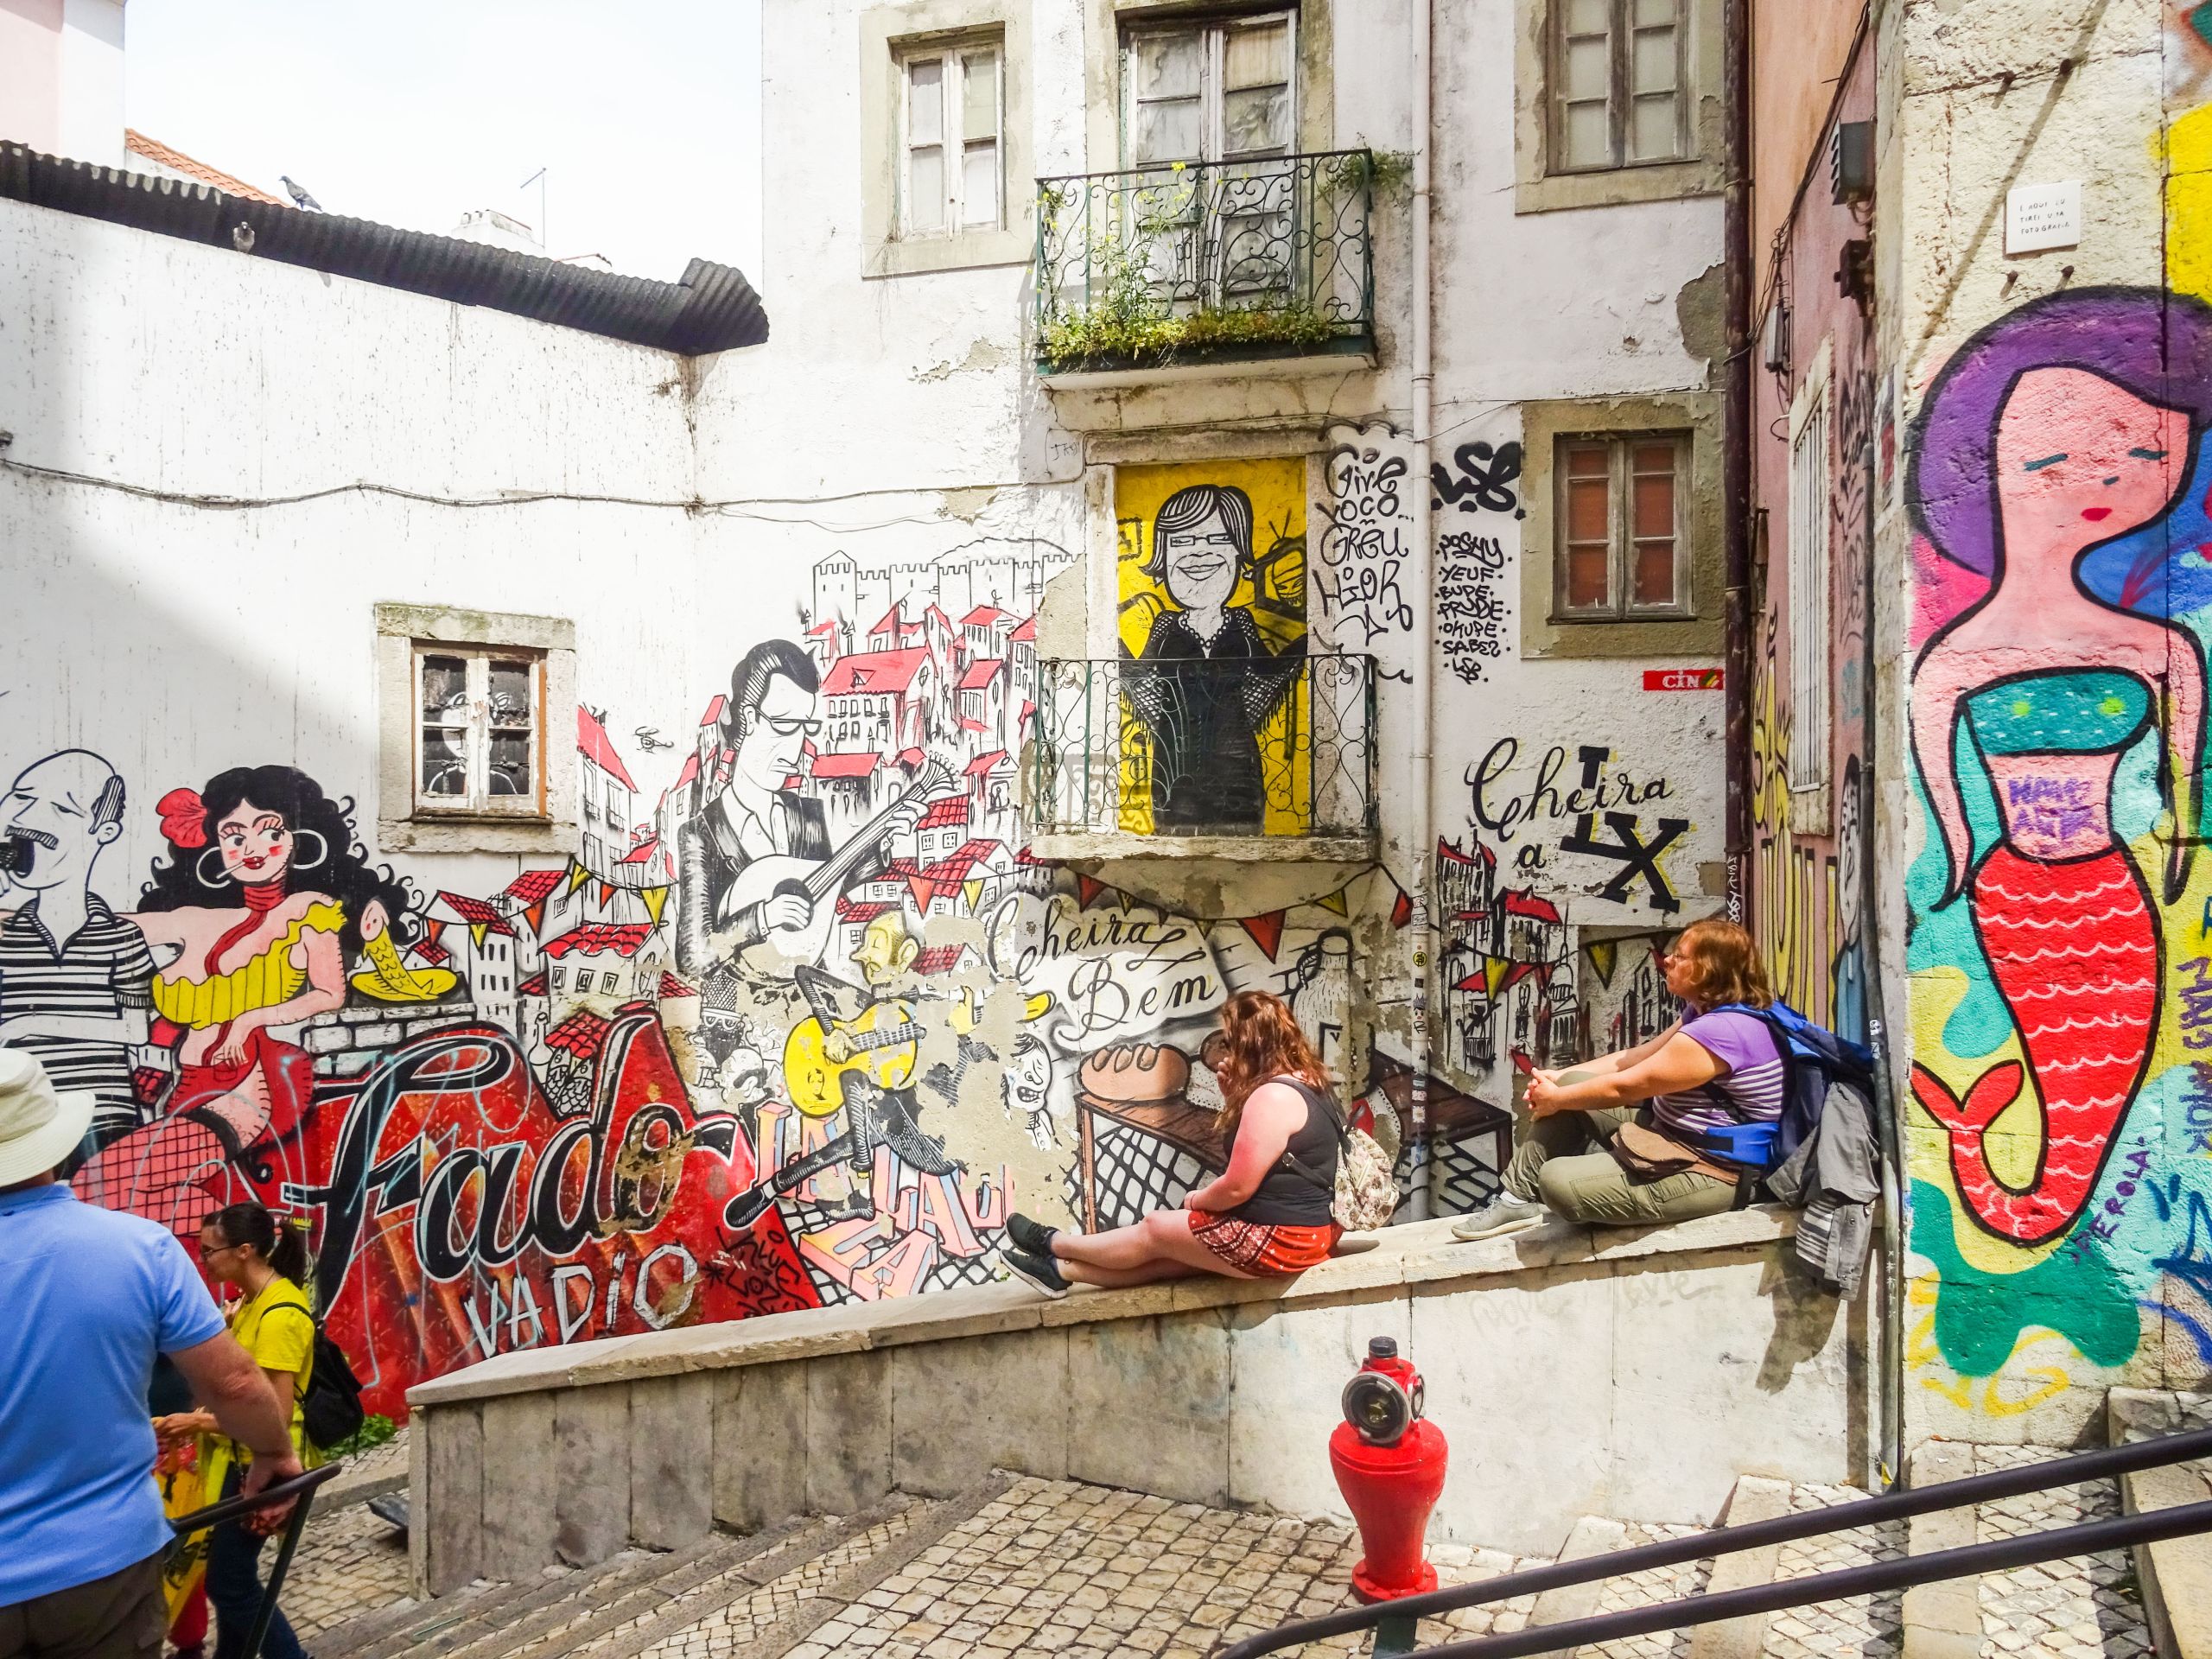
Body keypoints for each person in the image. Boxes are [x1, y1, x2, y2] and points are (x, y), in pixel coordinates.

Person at [1905, 289, 2212, 1245]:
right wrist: (1957, 865)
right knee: (2056, 1072)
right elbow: (1946, 807)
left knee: (2096, 1080)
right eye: (2065, 448)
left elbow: (2182, 789)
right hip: (2016, 900)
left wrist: (2179, 842)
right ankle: (1993, 1172)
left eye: (2142, 454)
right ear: (1987, 453)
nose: (2106, 473)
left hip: (2114, 900)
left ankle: (2023, 1187)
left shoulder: (2156, 648)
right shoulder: (1950, 660)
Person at [0, 1049, 302, 1659]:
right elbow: (237, 1385)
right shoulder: (140, 1250)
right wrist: (273, 1453)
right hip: (103, 1566)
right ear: (59, 1144)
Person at [75, 768, 404, 1227]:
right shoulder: (196, 921)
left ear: (299, 838)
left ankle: (260, 1249)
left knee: (99, 1186)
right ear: (216, 849)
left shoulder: (309, 909)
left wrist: (250, 1019)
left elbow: (330, 994)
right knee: (138, 1203)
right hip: (185, 1084)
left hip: (247, 1084)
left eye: (270, 831)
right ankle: (251, 1252)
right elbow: (94, 923)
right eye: (234, 836)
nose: (251, 849)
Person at [1451, 918, 1785, 1241]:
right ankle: (1515, 1201)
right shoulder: (1707, 1013)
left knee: (1555, 1181)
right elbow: (1637, 1057)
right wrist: (1559, 1078)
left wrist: (1555, 1099)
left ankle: (1585, 1185)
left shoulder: (1720, 1032)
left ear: (1707, 969)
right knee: (1573, 1087)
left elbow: (1626, 1086)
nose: (1667, 960)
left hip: (1712, 1171)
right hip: (1671, 1136)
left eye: (1680, 956)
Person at [997, 990, 1340, 1295]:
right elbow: (1260, 1157)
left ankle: (1055, 1243)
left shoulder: (1272, 1098)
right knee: (1170, 1258)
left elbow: (1237, 1188)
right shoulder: (1306, 1083)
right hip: (1304, 1233)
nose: (1224, 1052)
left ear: (1247, 1045)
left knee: (1156, 1228)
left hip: (1282, 1240)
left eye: (1228, 1042)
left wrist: (1196, 1200)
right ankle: (1059, 1272)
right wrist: (1235, 1098)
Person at [154, 1204, 316, 1659]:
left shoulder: (280, 1315)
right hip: (235, 1462)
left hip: (259, 1468)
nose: (203, 1261)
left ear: (244, 1251)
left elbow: (275, 1416)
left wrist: (196, 1422)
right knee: (232, 1580)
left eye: (210, 1252)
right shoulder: (249, 1304)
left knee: (229, 1583)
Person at [0, 751, 158, 1155]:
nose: (29, 818)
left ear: (103, 831)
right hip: (21, 1122)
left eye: (61, 808)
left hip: (102, 1117)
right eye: (22, 796)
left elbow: (135, 1030)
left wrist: (28, 1023)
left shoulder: (121, 936)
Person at [1123, 485, 1304, 832]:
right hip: (1175, 766)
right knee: (1174, 831)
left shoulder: (1241, 623)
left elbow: (1268, 672)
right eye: (1182, 542)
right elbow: (1141, 676)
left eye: (1218, 539)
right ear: (1164, 558)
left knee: (1241, 829)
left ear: (1240, 554)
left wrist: (1309, 643)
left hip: (1237, 765)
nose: (1199, 554)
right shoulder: (1164, 625)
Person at [676, 641, 831, 974]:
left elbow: (830, 884)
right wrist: (764, 917)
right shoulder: (701, 833)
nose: (796, 748)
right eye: (785, 725)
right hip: (738, 1013)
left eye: (807, 726)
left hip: (813, 1000)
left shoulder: (807, 815)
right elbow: (694, 955)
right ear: (749, 718)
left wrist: (883, 845)